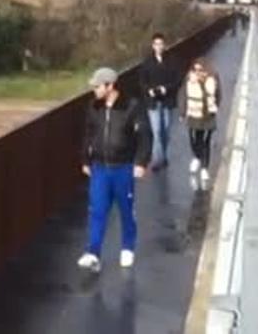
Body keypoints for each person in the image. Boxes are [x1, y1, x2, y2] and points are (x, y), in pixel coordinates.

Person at [77, 67, 151, 273]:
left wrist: (141, 162)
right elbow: (89, 135)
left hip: (124, 167)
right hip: (100, 167)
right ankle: (93, 252)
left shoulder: (132, 107)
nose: (94, 90)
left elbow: (145, 136)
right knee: (97, 210)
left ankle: (127, 247)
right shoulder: (94, 107)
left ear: (110, 86)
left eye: (97, 86)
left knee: (126, 209)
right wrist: (85, 159)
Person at [138, 33, 182, 169]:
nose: (159, 47)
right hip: (152, 101)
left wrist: (166, 88)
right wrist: (149, 90)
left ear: (164, 45)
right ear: (153, 46)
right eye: (156, 44)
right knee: (156, 130)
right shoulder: (147, 62)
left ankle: (163, 156)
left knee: (166, 130)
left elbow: (177, 80)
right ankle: (157, 160)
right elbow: (142, 81)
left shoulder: (171, 60)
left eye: (161, 44)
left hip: (167, 99)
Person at [183, 57, 221, 186]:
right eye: (196, 69)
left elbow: (218, 94)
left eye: (200, 69)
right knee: (193, 139)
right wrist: (183, 111)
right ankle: (197, 157)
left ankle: (204, 168)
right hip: (193, 115)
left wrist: (214, 108)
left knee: (206, 141)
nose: (198, 71)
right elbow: (183, 95)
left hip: (207, 116)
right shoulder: (189, 79)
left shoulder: (212, 77)